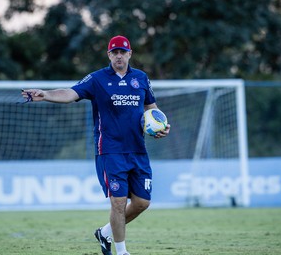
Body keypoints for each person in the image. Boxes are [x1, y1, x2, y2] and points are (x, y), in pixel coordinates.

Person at [21, 35, 170, 255]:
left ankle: (105, 232)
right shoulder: (97, 79)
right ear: (109, 55)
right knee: (118, 203)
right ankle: (122, 252)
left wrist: (160, 127)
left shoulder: (141, 78)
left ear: (130, 54)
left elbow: (152, 109)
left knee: (142, 202)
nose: (119, 56)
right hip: (110, 150)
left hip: (138, 150)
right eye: (114, 52)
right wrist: (46, 95)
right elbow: (71, 93)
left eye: (123, 52)